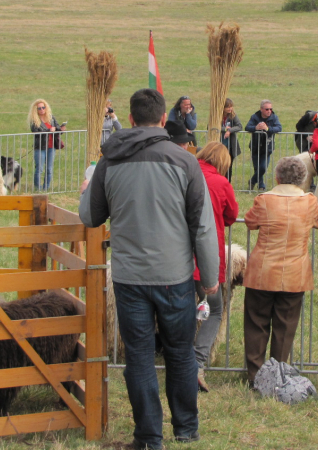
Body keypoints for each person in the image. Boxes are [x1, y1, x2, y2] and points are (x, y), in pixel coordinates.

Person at [79, 88, 218, 450]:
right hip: (175, 277)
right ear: (161, 120)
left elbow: (90, 216)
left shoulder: (110, 161)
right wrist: (211, 278)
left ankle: (148, 437)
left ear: (130, 117)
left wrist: (88, 184)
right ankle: (186, 429)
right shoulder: (185, 161)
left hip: (129, 278)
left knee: (139, 358)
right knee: (180, 353)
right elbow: (202, 226)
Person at [243, 156, 318, 385]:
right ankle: (277, 375)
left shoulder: (264, 200)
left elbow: (250, 222)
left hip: (262, 271)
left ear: (277, 176)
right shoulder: (309, 201)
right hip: (295, 273)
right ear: (302, 178)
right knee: (285, 326)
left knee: (256, 322)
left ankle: (256, 376)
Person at [193, 142, 238, 392]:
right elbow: (232, 214)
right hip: (206, 257)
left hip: (176, 255)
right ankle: (197, 362)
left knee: (183, 308)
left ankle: (179, 360)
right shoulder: (220, 183)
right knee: (215, 309)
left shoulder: (184, 174)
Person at [245, 100, 282, 191]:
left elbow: (279, 128)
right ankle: (261, 186)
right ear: (261, 109)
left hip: (267, 147)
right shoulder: (255, 117)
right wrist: (255, 128)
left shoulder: (274, 117)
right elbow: (247, 127)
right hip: (255, 146)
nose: (269, 111)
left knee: (263, 167)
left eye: (270, 109)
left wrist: (267, 128)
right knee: (257, 168)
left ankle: (252, 181)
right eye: (266, 109)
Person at [28, 99, 65, 191]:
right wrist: (49, 131)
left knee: (49, 169)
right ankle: (38, 188)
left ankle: (46, 187)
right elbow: (35, 132)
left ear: (46, 108)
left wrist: (61, 129)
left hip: (51, 146)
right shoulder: (34, 120)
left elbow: (56, 129)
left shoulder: (51, 118)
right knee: (39, 169)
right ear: (36, 110)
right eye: (39, 108)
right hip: (40, 147)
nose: (41, 110)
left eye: (43, 107)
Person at [219, 98, 242, 181]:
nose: (230, 109)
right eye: (228, 107)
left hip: (230, 146)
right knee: (220, 166)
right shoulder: (217, 116)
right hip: (219, 146)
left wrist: (230, 130)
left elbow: (239, 126)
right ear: (223, 107)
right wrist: (224, 129)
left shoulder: (233, 115)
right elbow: (211, 127)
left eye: (231, 107)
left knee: (229, 167)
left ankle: (227, 183)